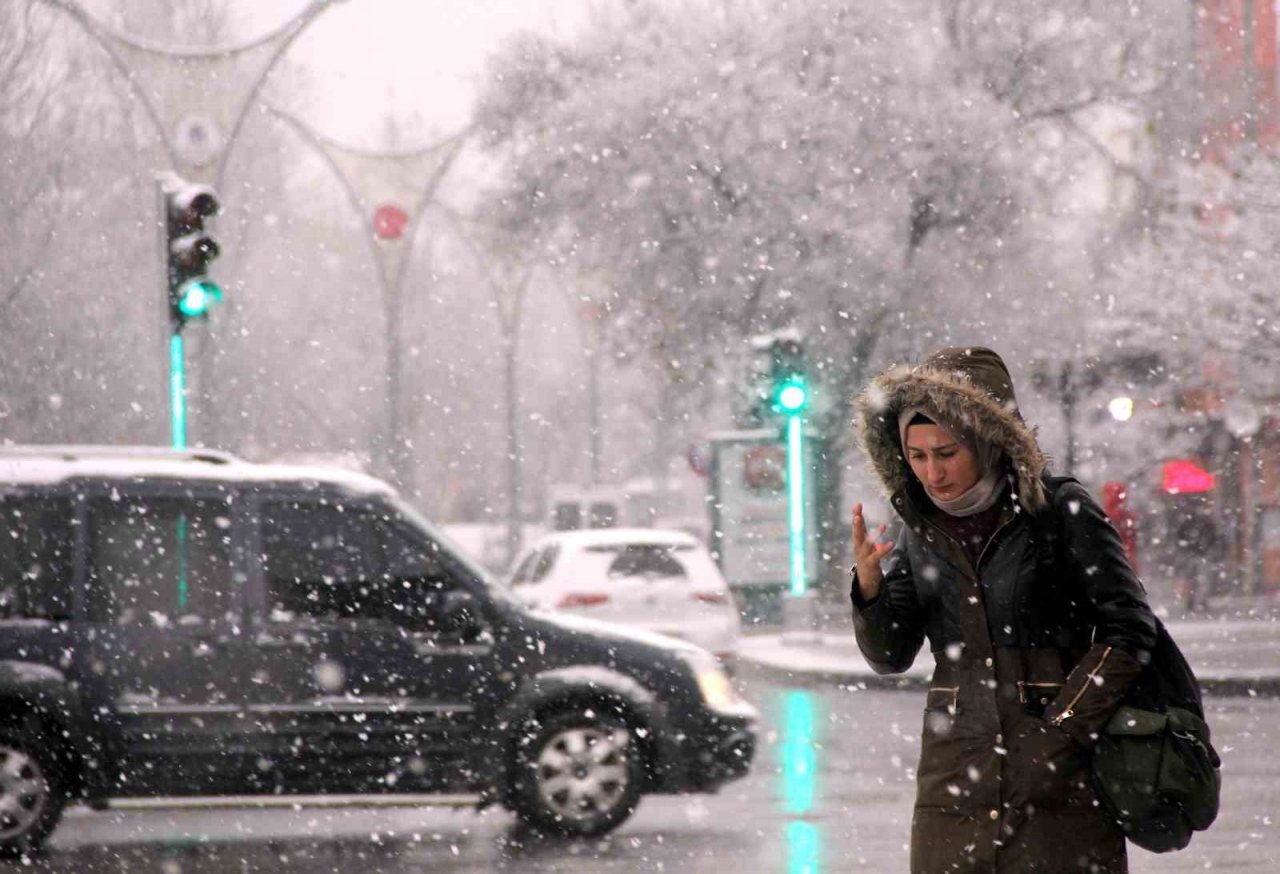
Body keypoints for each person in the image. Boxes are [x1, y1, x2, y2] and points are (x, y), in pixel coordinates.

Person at [849, 346, 1158, 874]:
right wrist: (870, 589)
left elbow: (1128, 630)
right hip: (954, 782)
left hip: (1058, 775)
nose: (932, 473)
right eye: (917, 455)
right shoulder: (917, 529)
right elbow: (890, 655)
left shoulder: (1058, 512)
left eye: (946, 452)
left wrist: (1059, 732)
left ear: (987, 440)